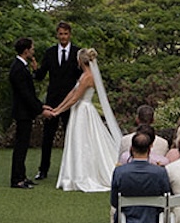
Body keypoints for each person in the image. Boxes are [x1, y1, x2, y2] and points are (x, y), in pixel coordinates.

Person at [43, 47, 125, 193]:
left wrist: (58, 112)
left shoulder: (88, 77)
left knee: (84, 143)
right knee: (79, 142)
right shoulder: (84, 75)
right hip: (79, 110)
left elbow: (75, 98)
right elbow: (72, 93)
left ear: (80, 61)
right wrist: (57, 109)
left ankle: (83, 175)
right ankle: (75, 174)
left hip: (83, 111)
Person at [35, 20, 81, 182]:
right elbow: (40, 75)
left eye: (66, 34)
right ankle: (43, 170)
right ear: (57, 35)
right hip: (52, 101)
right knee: (47, 136)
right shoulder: (50, 52)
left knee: (72, 136)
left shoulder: (77, 53)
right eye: (60, 34)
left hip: (71, 102)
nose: (63, 37)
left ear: (70, 34)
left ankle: (73, 169)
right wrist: (34, 67)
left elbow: (82, 77)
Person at [110, 130, 171, 223]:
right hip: (153, 217)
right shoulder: (160, 172)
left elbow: (114, 201)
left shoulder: (120, 172)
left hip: (128, 216)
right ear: (149, 150)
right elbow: (166, 196)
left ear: (131, 148)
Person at [8, 36, 42, 189]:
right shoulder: (17, 69)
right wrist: (40, 109)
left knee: (24, 145)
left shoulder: (22, 67)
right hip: (23, 112)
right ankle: (17, 178)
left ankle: (22, 175)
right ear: (26, 50)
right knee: (20, 146)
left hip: (26, 112)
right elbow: (25, 94)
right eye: (32, 48)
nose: (33, 51)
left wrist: (41, 106)